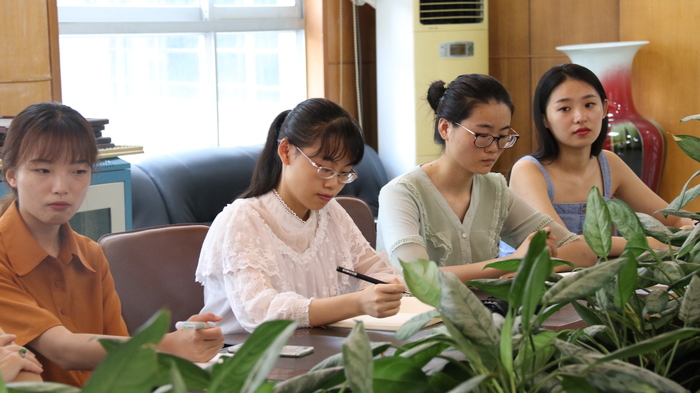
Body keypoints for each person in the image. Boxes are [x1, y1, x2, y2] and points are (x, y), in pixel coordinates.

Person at [0, 102, 224, 387]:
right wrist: (167, 345)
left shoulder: (91, 255)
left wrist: (187, 339)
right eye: (43, 170)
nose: (61, 187)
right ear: (12, 175)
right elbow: (62, 349)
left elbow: (123, 360)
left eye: (78, 171)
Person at [196, 98, 406, 334]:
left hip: (315, 345)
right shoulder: (242, 219)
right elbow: (260, 312)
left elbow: (376, 269)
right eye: (325, 169)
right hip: (244, 351)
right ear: (286, 151)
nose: (333, 184)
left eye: (344, 174)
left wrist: (387, 287)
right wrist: (357, 303)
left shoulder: (331, 213)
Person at [376, 74, 598, 283]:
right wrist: (513, 263)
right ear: (445, 128)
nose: (494, 148)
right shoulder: (401, 193)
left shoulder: (494, 189)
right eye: (482, 135)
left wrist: (522, 267)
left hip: (485, 309)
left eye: (502, 136)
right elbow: (416, 277)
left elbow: (582, 251)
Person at [509, 63, 691, 253]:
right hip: (535, 271)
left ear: (604, 109)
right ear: (544, 118)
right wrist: (651, 244)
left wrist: (691, 228)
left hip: (595, 269)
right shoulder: (528, 170)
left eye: (589, 105)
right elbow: (562, 242)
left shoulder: (609, 164)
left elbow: (673, 219)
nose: (580, 117)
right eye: (565, 108)